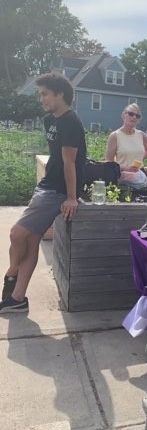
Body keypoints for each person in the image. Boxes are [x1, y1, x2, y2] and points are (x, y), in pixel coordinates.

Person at [3, 73, 84, 313]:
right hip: (47, 185)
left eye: (44, 94)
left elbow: (70, 162)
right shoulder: (50, 121)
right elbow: (56, 159)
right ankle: (18, 298)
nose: (41, 99)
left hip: (58, 191)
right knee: (30, 239)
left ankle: (11, 273)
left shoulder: (71, 121)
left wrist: (71, 197)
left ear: (60, 94)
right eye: (40, 94)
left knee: (16, 234)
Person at [105, 103, 147, 175]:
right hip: (121, 175)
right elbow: (108, 163)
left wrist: (139, 158)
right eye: (131, 114)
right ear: (123, 115)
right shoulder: (115, 136)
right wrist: (125, 168)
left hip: (140, 174)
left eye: (137, 116)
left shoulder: (142, 135)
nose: (134, 117)